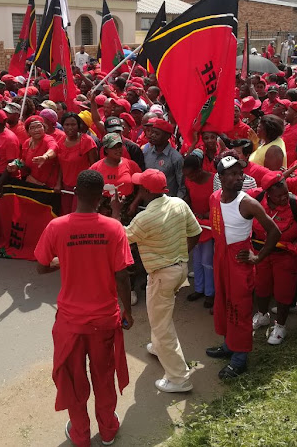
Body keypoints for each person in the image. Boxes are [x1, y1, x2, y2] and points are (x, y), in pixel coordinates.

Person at [35, 170, 133, 447]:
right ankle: (108, 430)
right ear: (102, 196)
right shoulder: (114, 228)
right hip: (104, 320)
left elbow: (41, 266)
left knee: (74, 380)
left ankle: (80, 435)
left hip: (70, 323)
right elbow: (123, 275)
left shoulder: (57, 227)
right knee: (104, 378)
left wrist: (64, 261)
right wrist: (127, 310)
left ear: (75, 193)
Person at [116, 169, 201, 393]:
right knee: (160, 315)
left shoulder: (145, 218)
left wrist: (115, 212)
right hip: (179, 269)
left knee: (162, 326)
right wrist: (182, 255)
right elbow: (196, 232)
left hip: (163, 274)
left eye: (140, 186)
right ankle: (158, 347)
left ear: (145, 190)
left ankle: (179, 378)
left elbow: (120, 238)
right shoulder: (178, 204)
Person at [205, 155, 281, 379]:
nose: (239, 178)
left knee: (240, 307)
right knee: (225, 301)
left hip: (239, 261)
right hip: (221, 257)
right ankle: (230, 345)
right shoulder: (215, 197)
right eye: (233, 174)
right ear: (221, 177)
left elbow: (274, 231)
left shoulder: (247, 202)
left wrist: (257, 257)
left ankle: (240, 358)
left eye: (241, 173)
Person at [249, 172, 297, 345]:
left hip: (286, 256)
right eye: (279, 196)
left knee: (284, 292)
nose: (284, 198)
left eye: (286, 193)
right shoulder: (257, 198)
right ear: (268, 194)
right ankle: (262, 315)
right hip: (261, 254)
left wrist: (295, 244)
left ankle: (281, 325)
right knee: (261, 286)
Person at [182, 152, 215, 309]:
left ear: (199, 170)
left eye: (191, 175)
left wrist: (205, 214)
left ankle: (210, 293)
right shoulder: (189, 181)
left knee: (208, 260)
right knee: (196, 258)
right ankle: (199, 289)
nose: (189, 179)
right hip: (195, 223)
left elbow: (219, 203)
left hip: (209, 225)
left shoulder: (214, 180)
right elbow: (190, 197)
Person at [57, 112, 98, 213]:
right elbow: (60, 166)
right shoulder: (61, 141)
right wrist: (58, 183)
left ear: (78, 126)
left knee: (77, 215)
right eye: (67, 125)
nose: (70, 127)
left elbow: (94, 166)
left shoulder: (87, 141)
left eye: (73, 124)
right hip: (66, 188)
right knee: (65, 214)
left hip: (82, 189)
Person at [143, 118, 185, 198]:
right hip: (149, 203)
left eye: (157, 133)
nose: (153, 135)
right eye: (152, 132)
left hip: (167, 204)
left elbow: (182, 186)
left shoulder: (176, 158)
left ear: (167, 136)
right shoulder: (146, 153)